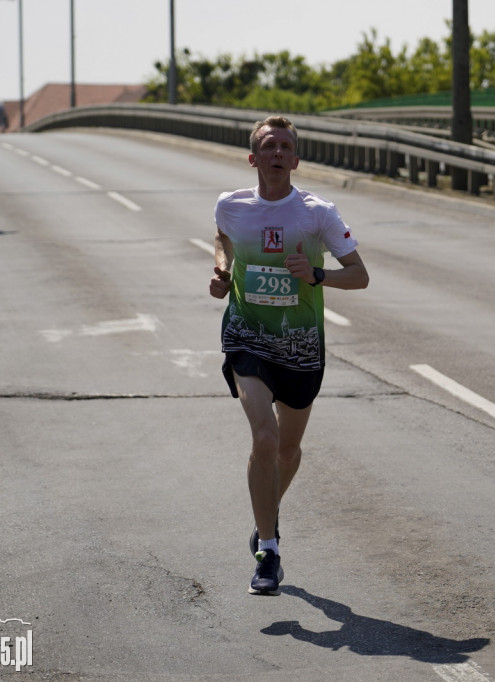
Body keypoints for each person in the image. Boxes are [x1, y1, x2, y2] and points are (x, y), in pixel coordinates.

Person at [208, 115, 369, 595]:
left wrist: (317, 276)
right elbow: (222, 237)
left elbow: (359, 275)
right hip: (247, 335)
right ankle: (269, 552)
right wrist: (221, 269)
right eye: (268, 146)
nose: (278, 153)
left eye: (286, 146)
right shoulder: (230, 205)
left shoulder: (318, 213)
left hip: (300, 345)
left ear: (296, 160)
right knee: (264, 437)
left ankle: (263, 520)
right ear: (253, 158)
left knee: (288, 450)